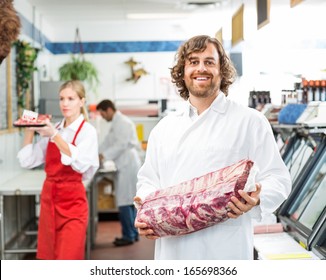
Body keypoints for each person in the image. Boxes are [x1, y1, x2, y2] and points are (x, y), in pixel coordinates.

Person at [134, 35, 292, 260]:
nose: (201, 68)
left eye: (209, 62)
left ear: (222, 70)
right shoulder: (164, 128)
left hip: (225, 249)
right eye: (193, 61)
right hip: (173, 251)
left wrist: (256, 199)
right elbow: (149, 180)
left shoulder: (250, 121)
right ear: (183, 70)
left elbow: (278, 178)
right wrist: (146, 213)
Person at [17, 80, 99, 260]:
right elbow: (28, 160)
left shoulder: (87, 132)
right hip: (49, 202)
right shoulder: (54, 128)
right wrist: (30, 129)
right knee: (49, 259)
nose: (65, 103)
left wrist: (54, 136)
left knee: (67, 259)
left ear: (82, 101)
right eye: (62, 98)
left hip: (73, 204)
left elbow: (80, 163)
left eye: (71, 98)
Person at [96, 99, 141, 246]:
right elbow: (108, 142)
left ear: (108, 109)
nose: (102, 117)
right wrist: (97, 152)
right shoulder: (116, 123)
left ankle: (129, 235)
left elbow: (120, 145)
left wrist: (103, 155)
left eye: (102, 114)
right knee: (127, 200)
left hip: (128, 163)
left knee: (124, 201)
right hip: (124, 163)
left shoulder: (123, 123)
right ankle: (133, 233)